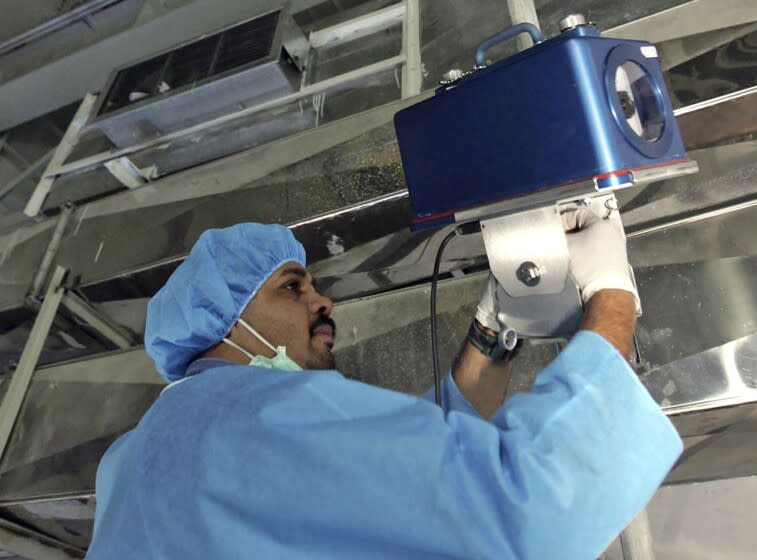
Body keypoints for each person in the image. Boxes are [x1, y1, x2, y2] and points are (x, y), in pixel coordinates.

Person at [86, 214, 682, 559]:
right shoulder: (252, 418)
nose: (323, 302)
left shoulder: (132, 459)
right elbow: (523, 508)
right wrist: (611, 296)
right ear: (225, 318)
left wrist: (493, 330)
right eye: (292, 288)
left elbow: (412, 468)